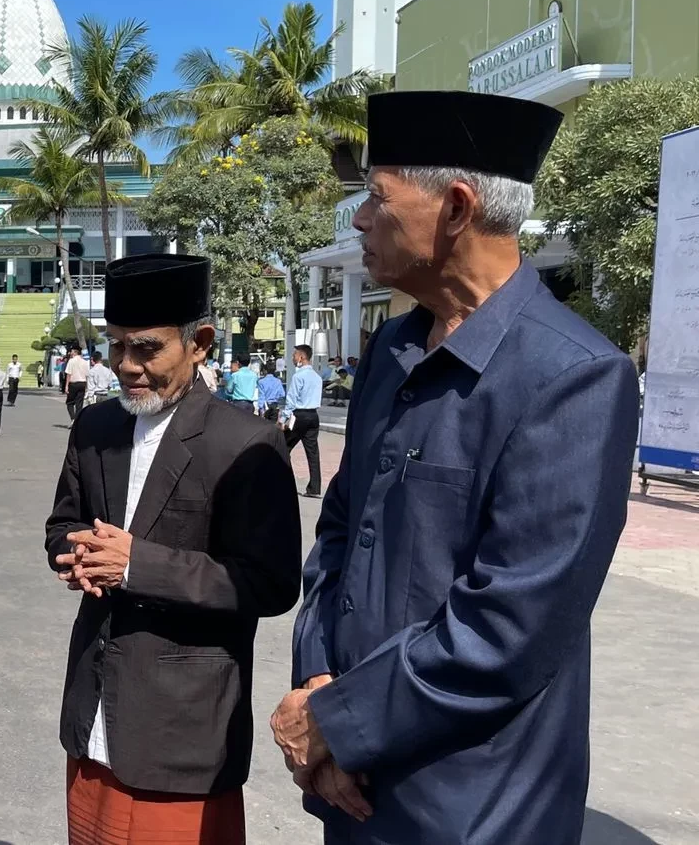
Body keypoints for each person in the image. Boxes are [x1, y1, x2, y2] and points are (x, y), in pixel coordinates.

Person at [272, 91, 640, 845]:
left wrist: (339, 720)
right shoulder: (394, 351)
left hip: (473, 808)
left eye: (377, 196)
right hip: (352, 786)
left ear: (458, 207)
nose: (359, 218)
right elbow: (338, 538)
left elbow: (509, 626)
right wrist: (316, 689)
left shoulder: (572, 377)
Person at [46, 253, 301, 845]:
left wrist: (136, 563)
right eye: (115, 347)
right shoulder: (96, 429)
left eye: (146, 349)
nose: (126, 366)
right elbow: (64, 524)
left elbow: (269, 581)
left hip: (181, 729)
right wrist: (75, 553)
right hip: (95, 712)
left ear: (200, 343)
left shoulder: (246, 444)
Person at [281, 345, 324, 498]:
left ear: (301, 357)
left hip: (299, 415)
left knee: (283, 446)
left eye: (294, 355)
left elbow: (291, 400)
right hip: (313, 416)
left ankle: (282, 482)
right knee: (313, 452)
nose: (292, 358)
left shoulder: (298, 376)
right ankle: (314, 487)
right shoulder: (317, 377)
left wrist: (283, 419)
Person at [62, 347, 89, 421]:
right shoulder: (84, 362)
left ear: (75, 352)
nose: (70, 353)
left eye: (71, 351)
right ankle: (78, 420)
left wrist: (66, 386)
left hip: (73, 383)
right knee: (79, 404)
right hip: (82, 383)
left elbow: (68, 374)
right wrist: (86, 386)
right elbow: (87, 375)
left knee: (70, 403)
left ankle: (73, 418)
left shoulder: (71, 361)